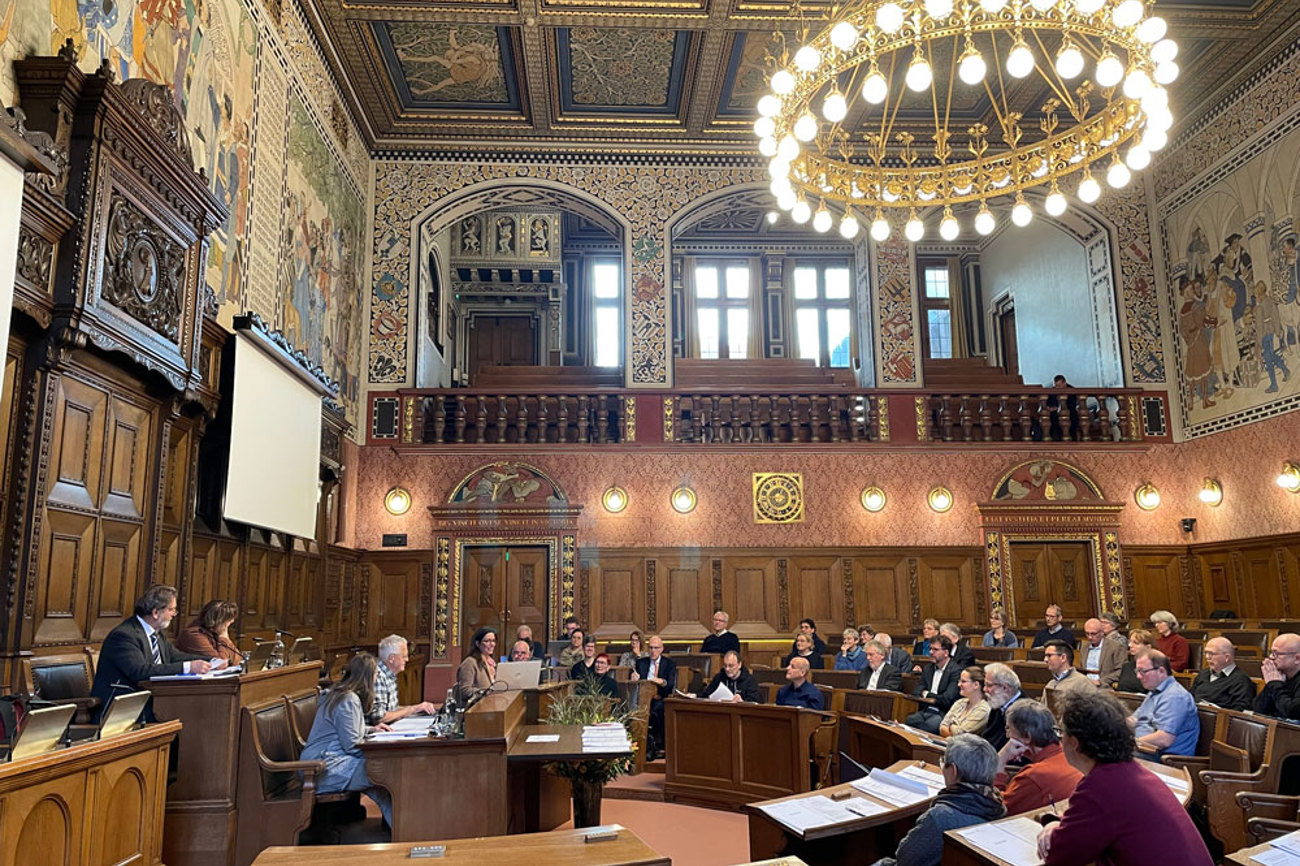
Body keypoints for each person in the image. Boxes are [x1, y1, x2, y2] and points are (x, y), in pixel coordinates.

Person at [1036, 690, 1213, 866]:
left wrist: (1052, 827)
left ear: (1074, 742)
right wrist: (1060, 825)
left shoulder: (1098, 788)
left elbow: (1060, 857)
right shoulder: (1133, 772)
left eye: (1061, 732)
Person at [873, 734, 1006, 866]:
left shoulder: (941, 817)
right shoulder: (998, 806)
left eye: (943, 762)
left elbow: (904, 858)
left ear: (953, 771)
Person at [91, 585, 222, 717]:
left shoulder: (157, 634)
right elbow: (140, 672)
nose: (174, 615)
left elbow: (175, 656)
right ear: (155, 613)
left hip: (151, 700)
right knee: (187, 714)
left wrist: (212, 661)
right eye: (171, 609)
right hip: (122, 708)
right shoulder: (124, 635)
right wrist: (188, 667)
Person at [299, 653, 394, 827]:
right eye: (375, 674)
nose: (376, 679)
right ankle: (403, 832)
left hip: (326, 762)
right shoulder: (348, 699)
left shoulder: (342, 694)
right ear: (366, 677)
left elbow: (343, 728)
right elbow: (351, 745)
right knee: (385, 774)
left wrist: (370, 729)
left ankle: (400, 830)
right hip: (324, 767)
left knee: (383, 781)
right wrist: (380, 753)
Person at [994, 700, 1082, 815]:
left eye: (1009, 729)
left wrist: (1000, 760)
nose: (1007, 735)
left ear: (1027, 736)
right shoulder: (1073, 756)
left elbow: (995, 809)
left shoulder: (1033, 776)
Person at [1129, 649, 1200, 758]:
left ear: (1161, 671)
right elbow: (1134, 720)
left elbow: (1164, 739)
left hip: (1163, 758)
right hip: (1143, 750)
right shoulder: (1154, 691)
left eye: (1143, 671)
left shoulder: (1174, 696)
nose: (1138, 676)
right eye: (1137, 671)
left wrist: (1129, 743)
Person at [369, 634, 437, 724]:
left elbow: (392, 709)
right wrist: (412, 709)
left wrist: (418, 708)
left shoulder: (390, 674)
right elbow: (379, 718)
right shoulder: (378, 676)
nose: (407, 660)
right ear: (392, 658)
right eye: (404, 656)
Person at [632, 635, 677, 757]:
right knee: (637, 710)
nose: (653, 651)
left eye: (656, 648)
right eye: (651, 648)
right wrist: (634, 679)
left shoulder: (669, 664)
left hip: (661, 697)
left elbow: (670, 685)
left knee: (659, 709)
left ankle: (663, 745)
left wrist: (662, 682)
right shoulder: (641, 663)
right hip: (643, 699)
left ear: (662, 649)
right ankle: (640, 746)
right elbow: (636, 684)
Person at [904, 636, 960, 733]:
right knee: (909, 720)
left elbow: (947, 699)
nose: (930, 652)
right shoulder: (928, 669)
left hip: (942, 713)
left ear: (946, 653)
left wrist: (927, 694)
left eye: (935, 650)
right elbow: (917, 692)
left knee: (930, 725)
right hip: (925, 710)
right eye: (930, 649)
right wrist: (933, 697)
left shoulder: (955, 671)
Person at [1191, 637, 1256, 710]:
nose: (1207, 657)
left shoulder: (1241, 680)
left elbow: (1240, 711)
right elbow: (1190, 698)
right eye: (1205, 653)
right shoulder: (1203, 674)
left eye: (1211, 653)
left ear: (1227, 657)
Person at [176, 599, 241, 665]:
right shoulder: (193, 635)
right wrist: (223, 639)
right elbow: (220, 664)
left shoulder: (215, 632)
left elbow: (238, 659)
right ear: (218, 621)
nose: (232, 622)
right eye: (228, 620)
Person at [1255, 633, 1300, 720]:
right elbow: (1257, 710)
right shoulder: (1278, 676)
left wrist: (1275, 685)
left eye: (1276, 654)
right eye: (1271, 653)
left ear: (1297, 659)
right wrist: (1270, 684)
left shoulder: (1277, 681)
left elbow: (1293, 712)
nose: (1271, 657)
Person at [980, 663, 1024, 751]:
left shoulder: (1022, 712)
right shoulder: (998, 704)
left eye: (989, 685)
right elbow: (987, 737)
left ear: (1005, 688)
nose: (984, 689)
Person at [939, 667, 990, 737]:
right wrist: (954, 728)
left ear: (976, 685)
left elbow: (959, 734)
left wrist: (950, 725)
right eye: (959, 681)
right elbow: (942, 727)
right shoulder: (960, 702)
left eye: (963, 681)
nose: (959, 684)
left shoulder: (983, 709)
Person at [455, 627, 497, 704]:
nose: (492, 644)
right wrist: (483, 692)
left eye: (493, 641)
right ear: (477, 643)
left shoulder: (492, 662)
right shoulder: (470, 662)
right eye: (487, 641)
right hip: (475, 707)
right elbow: (465, 690)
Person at [1080, 618, 1125, 688]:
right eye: (1087, 633)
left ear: (1102, 632)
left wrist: (1101, 681)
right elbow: (1082, 670)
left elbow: (1121, 670)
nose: (1090, 637)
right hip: (1085, 685)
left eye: (1093, 634)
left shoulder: (1115, 647)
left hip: (1104, 685)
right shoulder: (1084, 648)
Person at [1116, 628, 1156, 693]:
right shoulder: (1127, 666)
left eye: (1135, 643)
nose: (1130, 645)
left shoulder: (1155, 667)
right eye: (1130, 642)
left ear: (1148, 647)